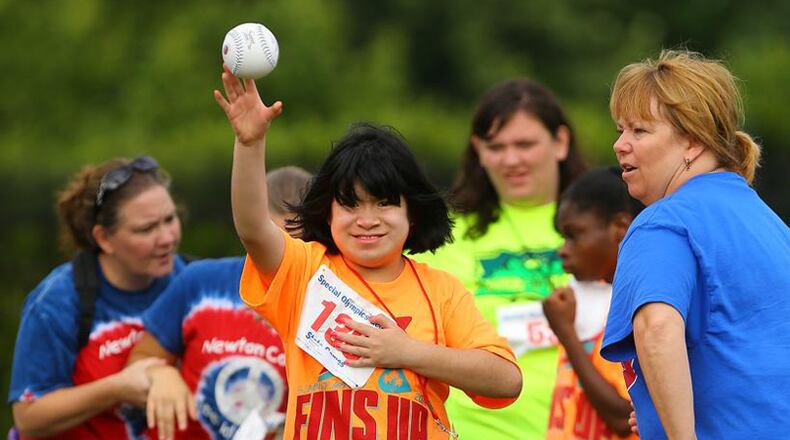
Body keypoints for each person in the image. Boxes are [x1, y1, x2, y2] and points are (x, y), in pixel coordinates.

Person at [213, 68, 522, 439]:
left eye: (385, 203)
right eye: (350, 205)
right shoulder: (305, 270)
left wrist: (406, 352)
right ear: (327, 213)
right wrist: (249, 144)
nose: (367, 220)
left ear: (413, 212)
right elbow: (252, 228)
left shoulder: (442, 290)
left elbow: (506, 380)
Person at [600, 50, 790, 439]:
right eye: (620, 129)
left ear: (692, 142)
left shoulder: (662, 223)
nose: (620, 144)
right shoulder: (771, 224)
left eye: (639, 131)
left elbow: (656, 330)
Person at [414, 78, 587, 438]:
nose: (511, 159)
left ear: (560, 142)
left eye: (525, 144)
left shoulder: (608, 226)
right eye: (496, 146)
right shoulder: (440, 236)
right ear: (478, 149)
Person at [127, 166, 312, 440]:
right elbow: (138, 360)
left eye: (303, 241)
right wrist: (159, 374)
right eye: (276, 237)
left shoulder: (330, 303)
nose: (286, 255)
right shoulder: (201, 282)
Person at [8, 156, 187, 438]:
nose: (166, 238)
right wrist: (117, 388)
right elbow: (28, 418)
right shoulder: (57, 302)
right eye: (147, 229)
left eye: (170, 219)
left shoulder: (191, 282)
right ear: (104, 238)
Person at [542, 167, 643, 439]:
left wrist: (567, 335)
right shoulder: (585, 300)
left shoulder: (638, 309)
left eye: (573, 235)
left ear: (620, 228)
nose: (563, 249)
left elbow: (623, 419)